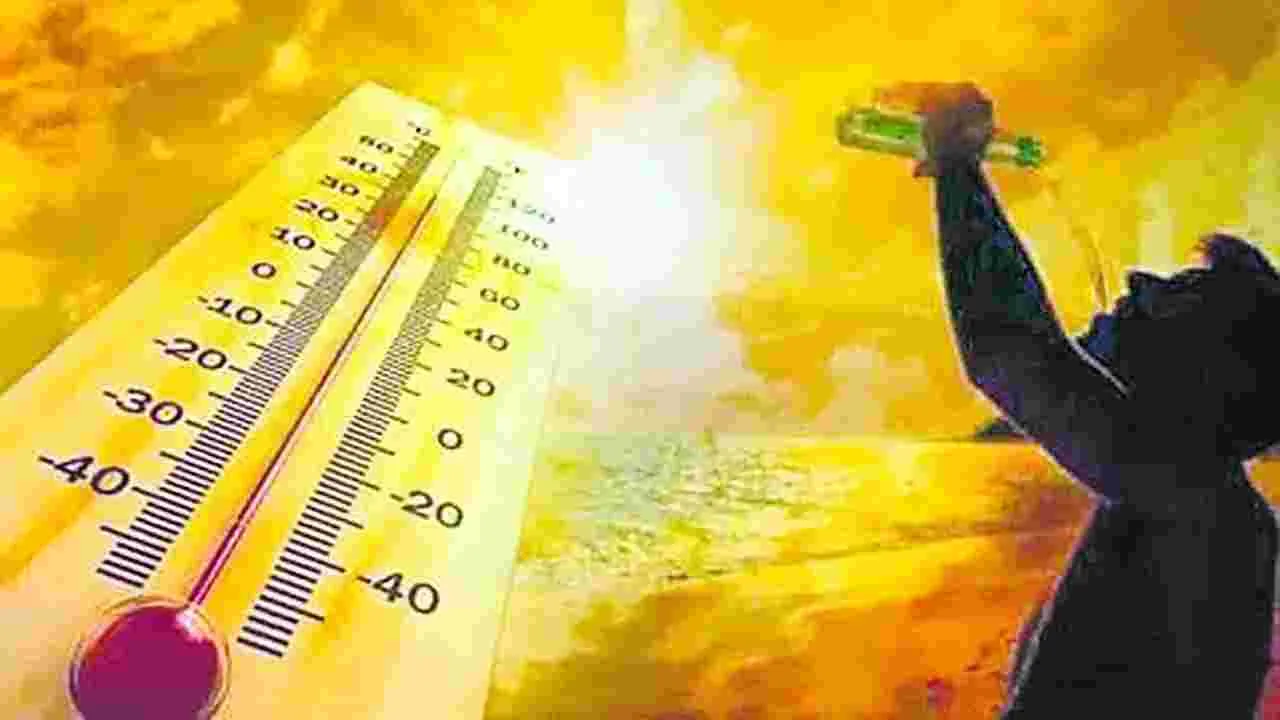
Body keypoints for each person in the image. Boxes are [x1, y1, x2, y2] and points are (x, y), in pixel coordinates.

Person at [911, 82, 1280, 717]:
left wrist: (956, 166)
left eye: (1184, 290)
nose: (1141, 282)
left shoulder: (1186, 492)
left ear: (1215, 364)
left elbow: (1010, 350)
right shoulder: (1214, 508)